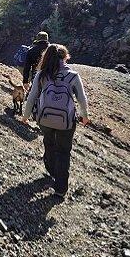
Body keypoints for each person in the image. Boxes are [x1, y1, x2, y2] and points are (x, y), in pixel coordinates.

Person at [22, 44, 89, 200]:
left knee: (49, 143)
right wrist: (84, 116)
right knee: (63, 152)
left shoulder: (41, 75)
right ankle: (60, 189)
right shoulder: (73, 75)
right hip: (66, 122)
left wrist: (25, 116)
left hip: (44, 119)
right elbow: (81, 99)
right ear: (65, 58)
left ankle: (52, 171)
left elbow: (31, 98)